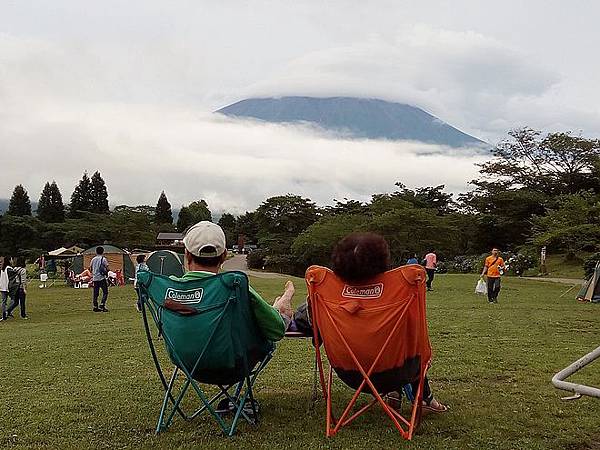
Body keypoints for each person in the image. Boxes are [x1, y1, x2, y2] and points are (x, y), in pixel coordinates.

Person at [90, 246, 109, 312]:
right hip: (101, 278)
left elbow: (90, 268)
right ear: (103, 251)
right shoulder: (103, 259)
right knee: (105, 292)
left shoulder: (93, 259)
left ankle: (95, 306)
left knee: (95, 293)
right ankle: (102, 304)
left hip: (95, 278)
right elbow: (107, 267)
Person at [0, 257, 11, 321]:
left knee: (3, 301)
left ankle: (4, 314)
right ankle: (7, 312)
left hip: (2, 287)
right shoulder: (8, 268)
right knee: (14, 300)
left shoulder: (2, 269)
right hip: (7, 287)